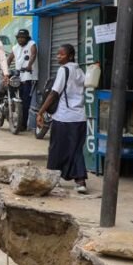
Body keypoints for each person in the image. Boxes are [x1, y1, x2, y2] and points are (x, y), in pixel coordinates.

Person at [37, 44, 88, 194]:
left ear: (70, 56)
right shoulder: (80, 71)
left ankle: (53, 178)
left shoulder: (63, 70)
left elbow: (54, 93)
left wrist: (41, 111)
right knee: (76, 150)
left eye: (62, 54)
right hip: (80, 118)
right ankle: (80, 181)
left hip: (64, 117)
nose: (58, 57)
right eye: (57, 54)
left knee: (56, 148)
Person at [10, 29, 37, 132]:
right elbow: (10, 58)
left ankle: (23, 125)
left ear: (27, 38)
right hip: (18, 78)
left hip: (29, 78)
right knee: (15, 99)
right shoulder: (15, 47)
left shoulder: (31, 44)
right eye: (19, 37)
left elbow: (33, 55)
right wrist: (5, 71)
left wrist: (29, 65)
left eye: (23, 37)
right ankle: (14, 120)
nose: (21, 39)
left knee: (26, 103)